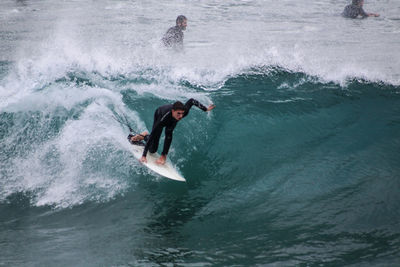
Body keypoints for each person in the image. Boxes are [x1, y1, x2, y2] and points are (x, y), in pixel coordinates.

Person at [129, 99, 215, 165]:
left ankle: (163, 156)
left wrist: (205, 109)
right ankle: (144, 136)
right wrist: (143, 156)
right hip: (160, 114)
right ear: (173, 111)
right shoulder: (162, 120)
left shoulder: (182, 112)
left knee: (169, 133)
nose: (181, 116)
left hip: (172, 120)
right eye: (179, 113)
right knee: (152, 150)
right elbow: (153, 136)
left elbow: (191, 101)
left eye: (182, 113)